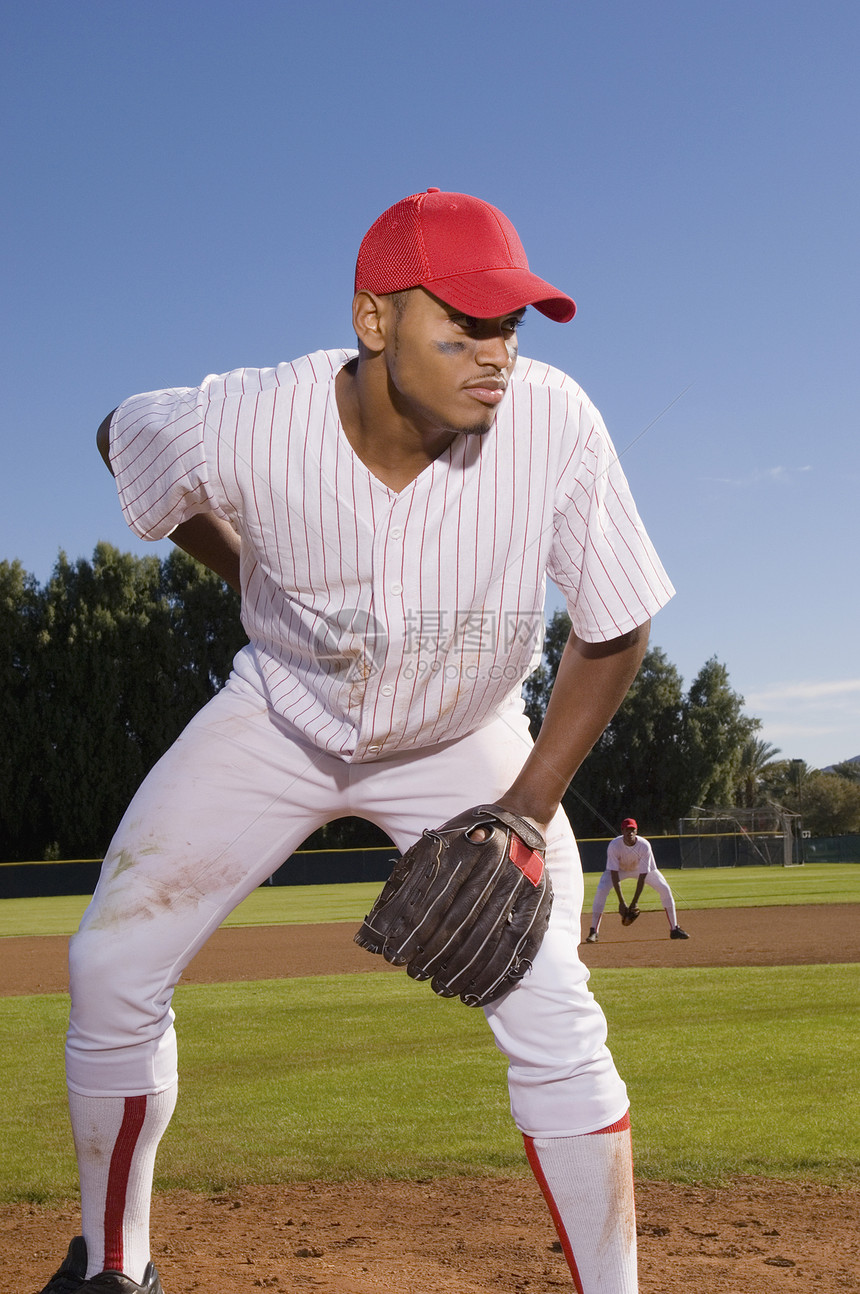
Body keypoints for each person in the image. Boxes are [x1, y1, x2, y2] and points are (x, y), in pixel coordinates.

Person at [38, 188, 675, 1294]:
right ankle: (113, 1262)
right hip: (279, 713)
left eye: (508, 327)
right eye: (462, 326)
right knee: (111, 961)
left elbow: (614, 622)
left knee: (554, 1006)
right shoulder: (250, 416)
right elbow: (119, 431)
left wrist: (524, 808)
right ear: (372, 322)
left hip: (461, 737)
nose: (495, 356)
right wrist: (241, 565)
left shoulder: (553, 422)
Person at [585, 818, 689, 942]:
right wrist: (622, 902)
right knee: (601, 889)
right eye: (627, 829)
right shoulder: (614, 845)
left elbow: (642, 876)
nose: (630, 832)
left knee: (665, 888)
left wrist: (634, 902)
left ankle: (674, 929)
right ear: (622, 831)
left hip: (641, 870)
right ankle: (594, 931)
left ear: (636, 831)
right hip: (619, 870)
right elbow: (613, 873)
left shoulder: (644, 845)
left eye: (632, 829)